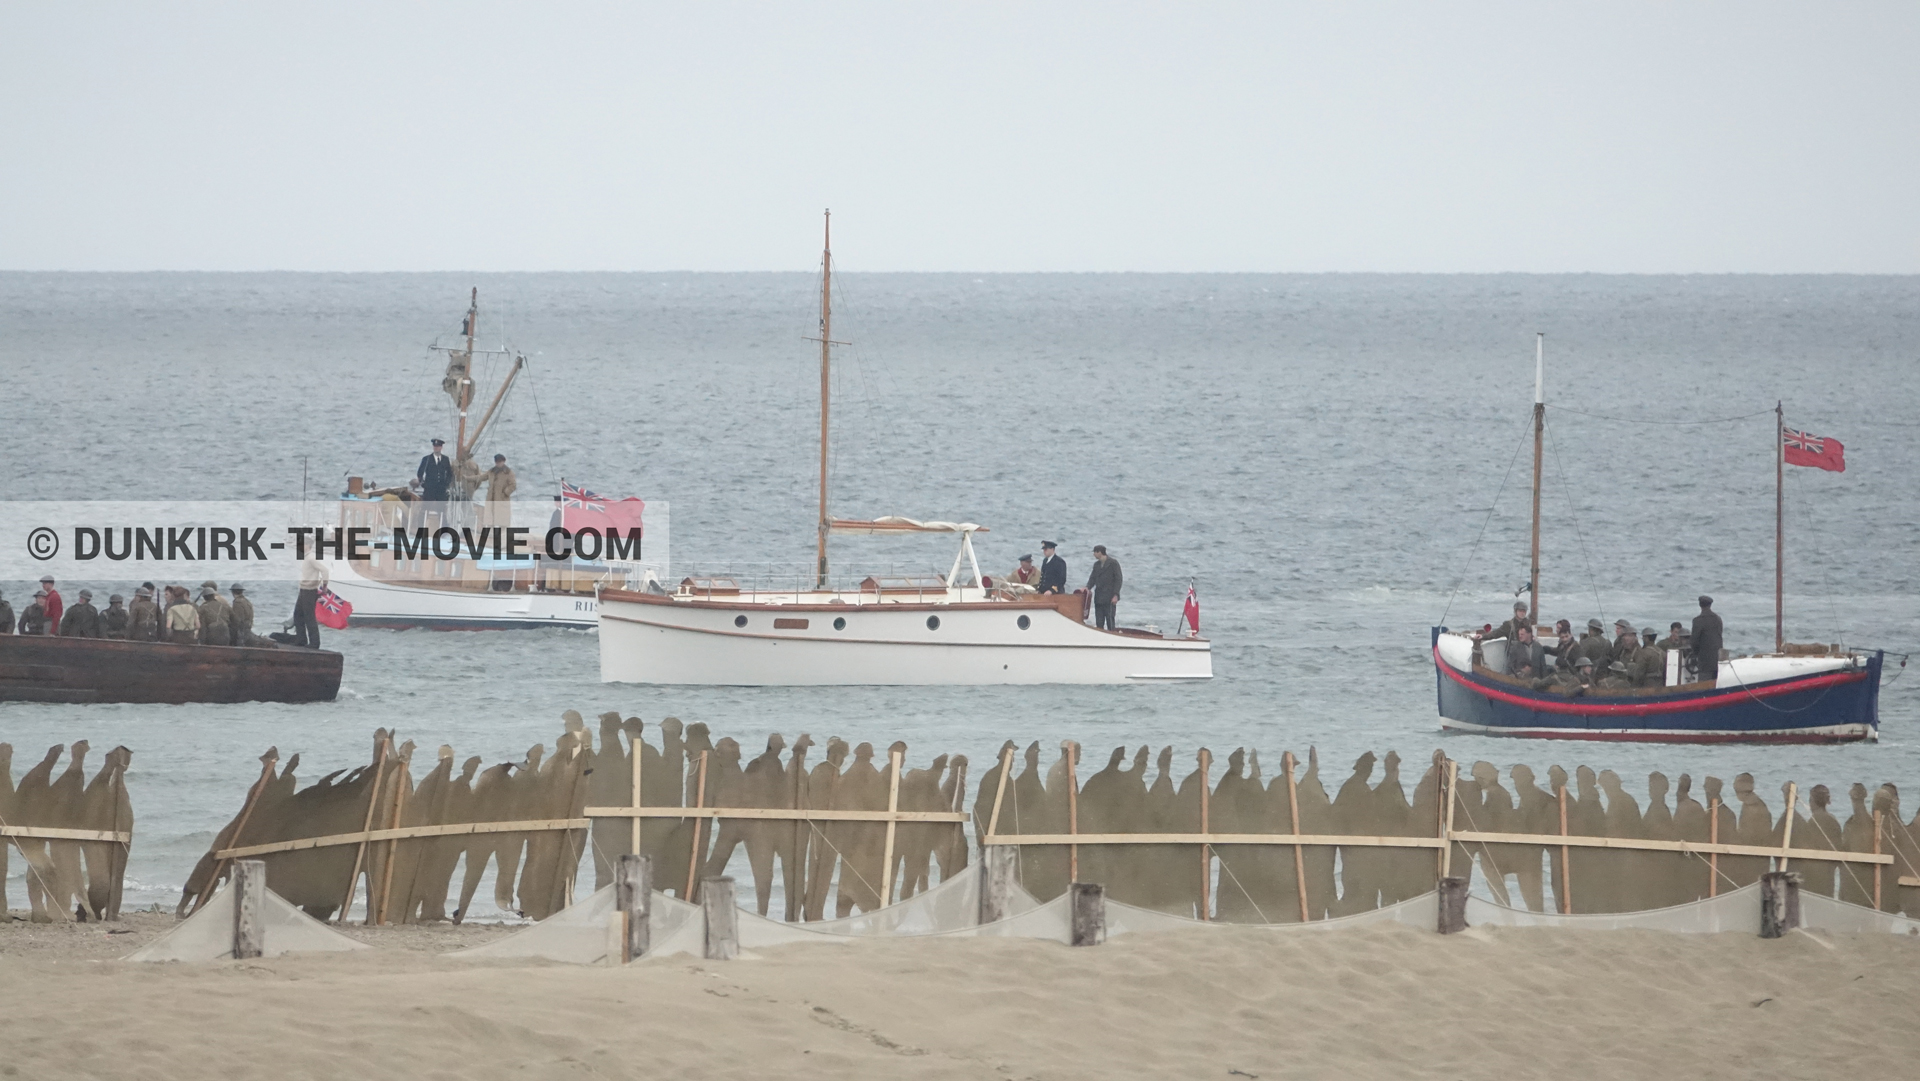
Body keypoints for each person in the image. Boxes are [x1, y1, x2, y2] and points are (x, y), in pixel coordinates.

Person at [1086, 545, 1123, 631]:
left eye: (1095, 552)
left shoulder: (1113, 563)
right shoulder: (1096, 565)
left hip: (1109, 597)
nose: (1094, 555)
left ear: (1099, 552)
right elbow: (1093, 578)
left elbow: (1118, 579)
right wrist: (1087, 587)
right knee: (1099, 622)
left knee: (1110, 620)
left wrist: (1116, 595)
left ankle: (1113, 638)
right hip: (1099, 597)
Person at [293, 558, 328, 648]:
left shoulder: (311, 558)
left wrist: (325, 585)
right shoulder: (306, 558)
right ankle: (301, 639)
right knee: (298, 614)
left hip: (309, 590)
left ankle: (314, 643)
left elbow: (325, 570)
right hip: (303, 589)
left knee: (309, 616)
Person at [1691, 595, 1724, 683]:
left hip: (1704, 660)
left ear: (1700, 605)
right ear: (1710, 605)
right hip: (1717, 657)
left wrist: (1695, 654)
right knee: (1716, 682)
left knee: (1703, 684)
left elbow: (1694, 641)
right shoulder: (1718, 619)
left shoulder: (1698, 620)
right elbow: (1719, 635)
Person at [482, 453, 517, 528]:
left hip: (502, 499)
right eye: (497, 462)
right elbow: (482, 477)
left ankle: (503, 535)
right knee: (490, 519)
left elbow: (513, 485)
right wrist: (468, 478)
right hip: (491, 499)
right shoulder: (492, 471)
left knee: (503, 520)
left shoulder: (508, 472)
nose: (498, 463)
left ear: (503, 461)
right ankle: (491, 535)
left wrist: (505, 493)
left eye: (500, 462)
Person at [416, 437, 455, 504]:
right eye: (435, 446)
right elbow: (420, 473)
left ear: (441, 447)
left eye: (438, 446)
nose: (436, 448)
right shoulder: (427, 459)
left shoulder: (445, 459)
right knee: (426, 507)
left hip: (441, 489)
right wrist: (423, 484)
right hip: (429, 488)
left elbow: (449, 473)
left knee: (442, 508)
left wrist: (447, 484)